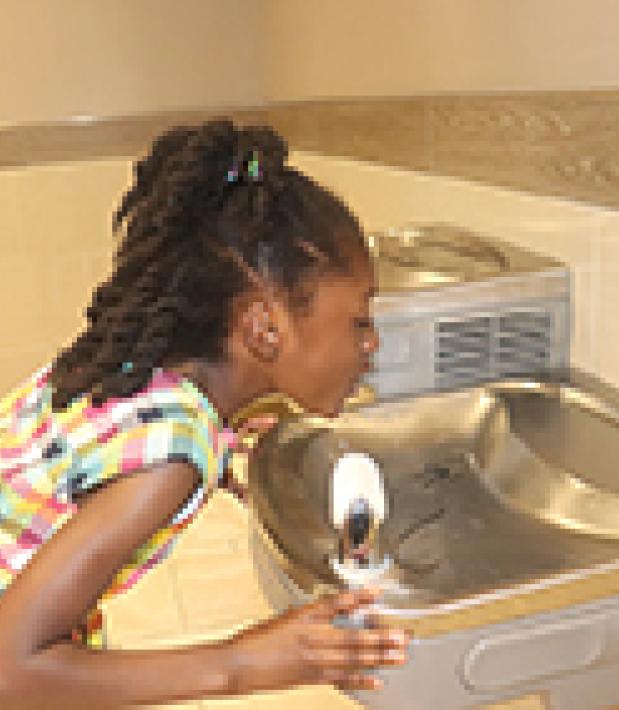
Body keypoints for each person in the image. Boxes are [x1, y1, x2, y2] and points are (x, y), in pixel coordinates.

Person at [0, 120, 410, 704]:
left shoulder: (136, 377)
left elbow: (99, 457)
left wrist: (220, 444)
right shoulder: (166, 459)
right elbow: (11, 671)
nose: (371, 344)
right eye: (359, 320)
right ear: (265, 327)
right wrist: (241, 663)